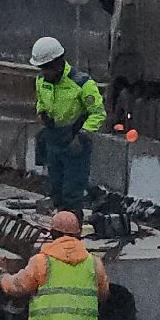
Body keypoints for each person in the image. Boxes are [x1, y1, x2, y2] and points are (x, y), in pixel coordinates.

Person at [30, 36, 105, 217]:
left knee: (72, 194)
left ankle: (72, 231)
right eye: (42, 68)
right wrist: (42, 113)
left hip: (75, 141)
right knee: (56, 191)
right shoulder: (41, 81)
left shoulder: (82, 83)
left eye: (47, 68)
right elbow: (41, 101)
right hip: (54, 139)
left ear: (58, 63)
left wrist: (83, 135)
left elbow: (98, 113)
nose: (44, 72)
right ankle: (61, 227)